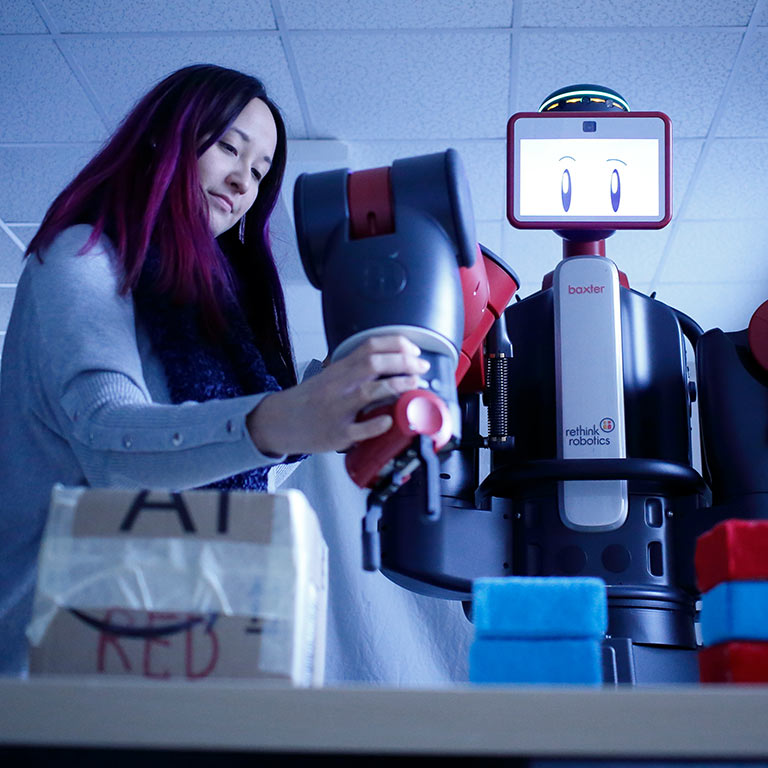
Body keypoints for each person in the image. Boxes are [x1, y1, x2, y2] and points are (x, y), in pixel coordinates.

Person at [0, 64, 432, 676]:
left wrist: (324, 401)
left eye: (259, 171)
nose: (241, 181)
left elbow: (221, 480)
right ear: (163, 138)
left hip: (159, 654)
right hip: (39, 671)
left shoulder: (209, 315)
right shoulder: (81, 257)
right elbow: (108, 440)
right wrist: (277, 422)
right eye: (229, 146)